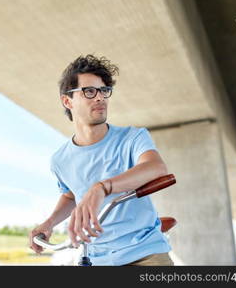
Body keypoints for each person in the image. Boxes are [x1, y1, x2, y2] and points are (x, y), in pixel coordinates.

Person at [28, 54, 174, 266]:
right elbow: (71, 196)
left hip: (146, 255)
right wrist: (49, 223)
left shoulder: (132, 138)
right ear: (67, 100)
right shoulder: (60, 160)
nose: (100, 97)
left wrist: (102, 187)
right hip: (96, 258)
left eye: (104, 91)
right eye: (89, 91)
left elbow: (155, 167)